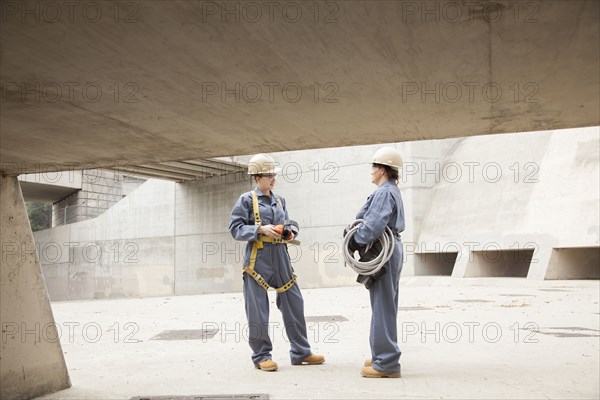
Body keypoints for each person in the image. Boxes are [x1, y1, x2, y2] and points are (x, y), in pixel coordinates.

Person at [228, 153, 325, 372]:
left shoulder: (280, 200)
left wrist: (290, 232)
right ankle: (261, 356)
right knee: (257, 309)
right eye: (269, 175)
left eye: (274, 175)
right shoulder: (246, 200)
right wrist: (259, 229)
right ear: (257, 178)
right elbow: (235, 229)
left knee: (294, 302)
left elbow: (288, 222)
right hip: (257, 260)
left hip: (281, 257)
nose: (273, 179)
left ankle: (301, 352)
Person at [348, 146, 405, 378]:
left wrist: (355, 241)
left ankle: (387, 363)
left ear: (382, 169)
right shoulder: (392, 190)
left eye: (373, 167)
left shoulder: (383, 193)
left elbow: (372, 226)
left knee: (382, 307)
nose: (371, 171)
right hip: (393, 249)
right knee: (386, 306)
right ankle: (382, 353)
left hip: (385, 250)